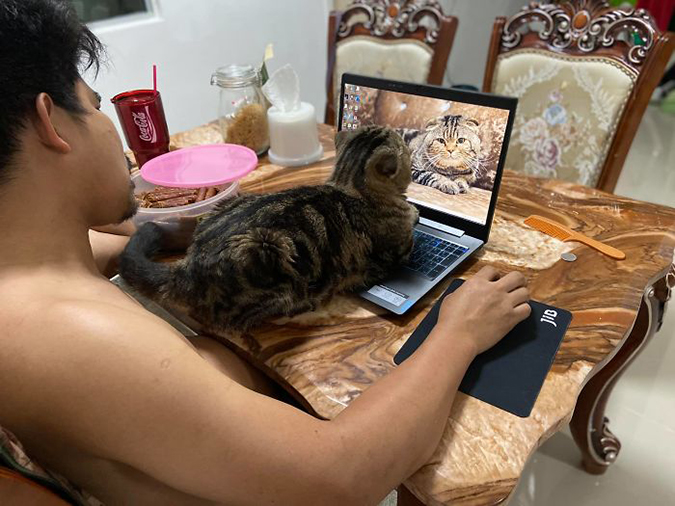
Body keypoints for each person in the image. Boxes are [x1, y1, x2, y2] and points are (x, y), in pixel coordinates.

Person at [0, 1, 531, 505]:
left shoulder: (31, 267)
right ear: (52, 122)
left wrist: (195, 229)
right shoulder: (80, 339)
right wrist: (458, 333)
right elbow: (344, 479)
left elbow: (118, 242)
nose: (113, 133)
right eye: (96, 106)